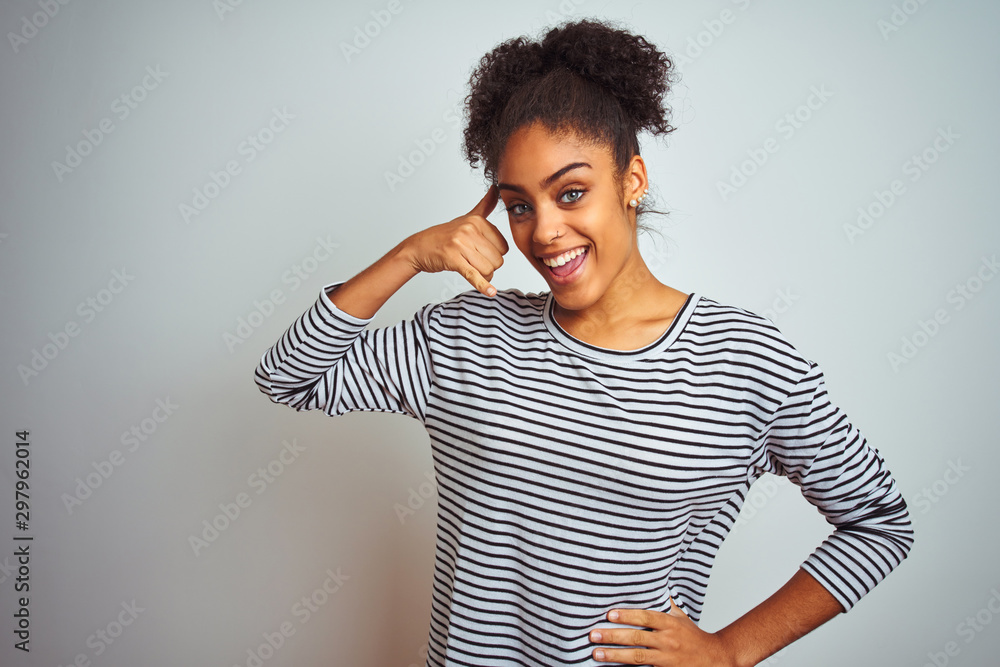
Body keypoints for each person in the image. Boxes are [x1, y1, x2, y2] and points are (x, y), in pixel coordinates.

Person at [255, 18, 913, 666]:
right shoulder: (466, 337)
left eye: (571, 192)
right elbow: (288, 375)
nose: (543, 232)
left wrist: (731, 650)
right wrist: (407, 256)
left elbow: (880, 523)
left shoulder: (744, 361)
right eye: (518, 205)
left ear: (632, 179)